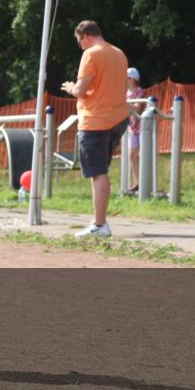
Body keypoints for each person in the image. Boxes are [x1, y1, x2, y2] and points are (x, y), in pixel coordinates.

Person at [61, 21, 129, 238]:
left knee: (97, 173)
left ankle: (99, 225)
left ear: (85, 36)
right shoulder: (119, 53)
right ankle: (100, 222)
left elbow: (81, 89)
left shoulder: (91, 54)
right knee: (102, 170)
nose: (80, 45)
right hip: (118, 118)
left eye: (78, 40)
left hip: (95, 121)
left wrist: (71, 88)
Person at [126, 67, 144, 194]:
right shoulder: (124, 93)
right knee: (132, 155)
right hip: (131, 127)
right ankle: (138, 182)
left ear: (132, 79)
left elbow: (137, 109)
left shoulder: (139, 91)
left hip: (141, 127)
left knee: (142, 154)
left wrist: (125, 104)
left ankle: (145, 181)